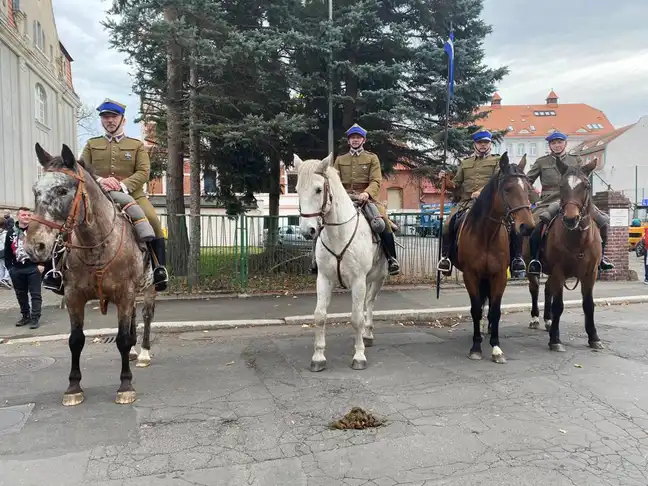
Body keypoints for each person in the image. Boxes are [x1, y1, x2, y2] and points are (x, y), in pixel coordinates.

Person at [42, 98, 168, 294]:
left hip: (132, 194)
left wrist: (122, 184)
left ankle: (159, 270)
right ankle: (56, 273)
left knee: (152, 220)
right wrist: (100, 181)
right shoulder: (92, 144)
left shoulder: (136, 146)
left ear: (122, 120)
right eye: (105, 117)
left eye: (113, 116)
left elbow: (143, 172)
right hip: (98, 195)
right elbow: (81, 168)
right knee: (69, 220)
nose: (109, 120)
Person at [310, 123, 400, 276]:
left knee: (381, 222)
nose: (355, 140)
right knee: (321, 222)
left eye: (358, 137)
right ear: (348, 141)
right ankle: (315, 261)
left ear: (363, 140)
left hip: (365, 198)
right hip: (343, 198)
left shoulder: (372, 158)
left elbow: (376, 181)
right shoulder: (340, 159)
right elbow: (333, 180)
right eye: (352, 138)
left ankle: (392, 259)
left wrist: (367, 193)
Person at [436, 130, 526, 277]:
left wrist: (481, 192)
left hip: (490, 203)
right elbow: (456, 185)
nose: (483, 145)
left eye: (486, 143)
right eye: (480, 143)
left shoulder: (497, 161)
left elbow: (498, 180)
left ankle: (517, 258)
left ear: (490, 144)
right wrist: (445, 179)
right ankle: (446, 258)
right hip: (466, 203)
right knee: (448, 223)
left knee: (512, 224)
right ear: (475, 144)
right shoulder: (465, 163)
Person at [526, 131, 614, 275]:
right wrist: (535, 200)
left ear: (565, 143)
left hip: (575, 200)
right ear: (549, 145)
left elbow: (583, 181)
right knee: (537, 226)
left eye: (559, 142)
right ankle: (535, 260)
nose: (557, 145)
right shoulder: (541, 162)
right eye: (553, 143)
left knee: (603, 222)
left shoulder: (576, 160)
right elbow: (527, 182)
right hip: (548, 201)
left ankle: (601, 258)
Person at [4, 207, 44, 329]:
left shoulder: (36, 231)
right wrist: (10, 268)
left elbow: (43, 248)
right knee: (21, 294)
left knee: (35, 294)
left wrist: (42, 264)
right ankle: (25, 316)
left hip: (33, 267)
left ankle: (35, 317)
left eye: (28, 215)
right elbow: (7, 251)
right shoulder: (11, 232)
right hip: (16, 269)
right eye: (23, 215)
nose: (26, 217)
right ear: (18, 216)